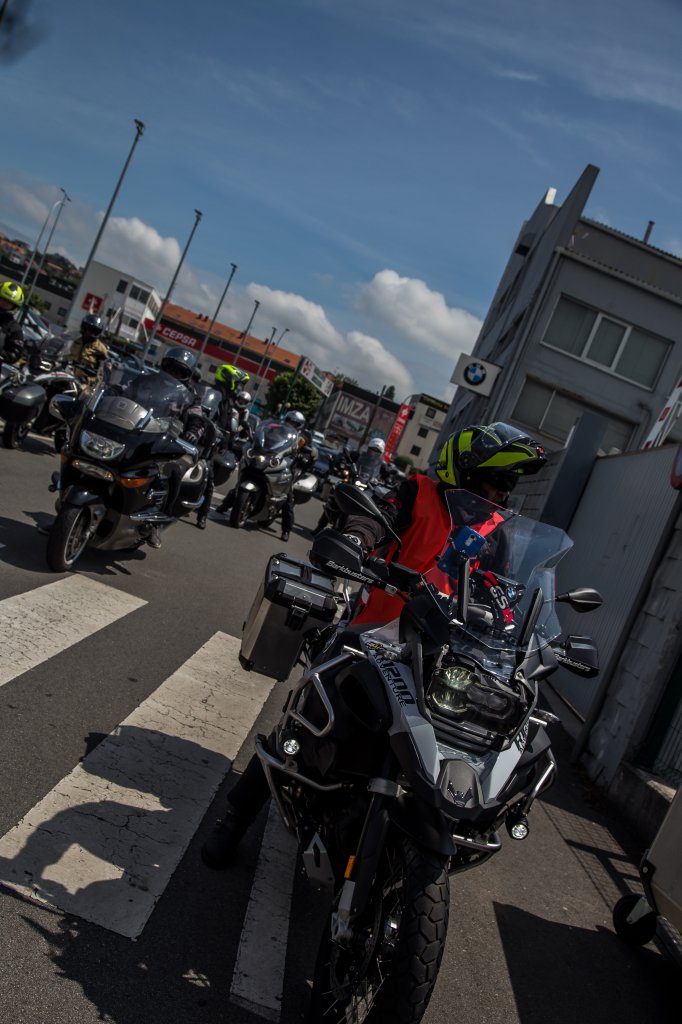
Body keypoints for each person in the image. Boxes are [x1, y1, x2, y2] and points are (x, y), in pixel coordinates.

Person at [200, 420, 546, 869]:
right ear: (462, 471)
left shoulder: (497, 528)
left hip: (443, 653)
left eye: (506, 487)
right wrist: (355, 538)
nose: (499, 495)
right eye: (492, 482)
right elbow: (374, 519)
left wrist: (508, 616)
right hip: (375, 635)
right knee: (306, 721)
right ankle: (235, 818)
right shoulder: (417, 491)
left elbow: (504, 585)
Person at [279, 410, 317, 543]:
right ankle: (227, 504)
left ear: (299, 424)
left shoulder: (304, 436)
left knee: (288, 498)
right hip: (275, 460)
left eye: (293, 423)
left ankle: (286, 531)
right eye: (289, 421)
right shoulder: (279, 429)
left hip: (289, 466)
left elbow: (308, 451)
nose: (290, 424)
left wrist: (303, 455)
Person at [68, 314, 109, 383]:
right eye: (88, 329)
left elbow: (103, 375)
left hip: (83, 385)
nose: (89, 333)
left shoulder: (101, 349)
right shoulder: (74, 340)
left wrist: (87, 380)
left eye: (94, 331)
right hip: (66, 375)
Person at [214, 363, 250, 431]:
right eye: (238, 385)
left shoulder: (226, 401)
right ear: (229, 380)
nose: (239, 389)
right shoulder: (215, 396)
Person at [0, 280, 25, 364]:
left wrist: (2, 355)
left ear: (14, 306)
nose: (5, 304)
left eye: (9, 302)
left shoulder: (14, 328)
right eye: (3, 300)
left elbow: (16, 352)